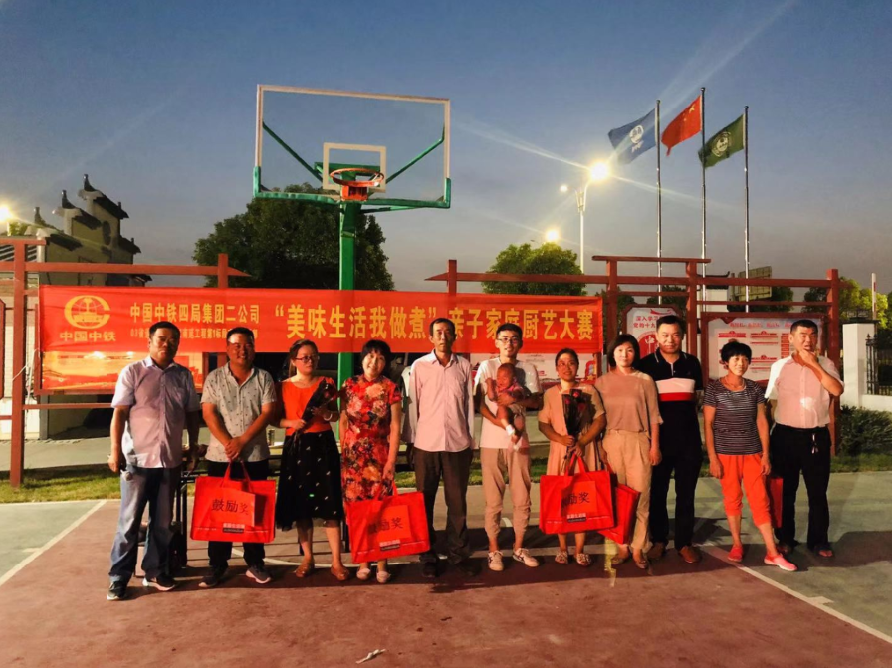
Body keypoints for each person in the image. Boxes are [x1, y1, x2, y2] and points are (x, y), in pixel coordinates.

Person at [106, 321, 200, 601]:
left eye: (173, 340)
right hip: (137, 461)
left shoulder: (183, 375)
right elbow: (119, 413)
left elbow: (191, 414)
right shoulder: (133, 372)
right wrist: (115, 451)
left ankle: (155, 571)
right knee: (129, 523)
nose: (167, 344)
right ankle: (118, 577)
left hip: (169, 460)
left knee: (162, 522)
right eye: (161, 338)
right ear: (149, 341)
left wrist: (193, 448)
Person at [704, 341, 797, 571]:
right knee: (732, 499)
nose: (741, 363)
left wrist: (765, 455)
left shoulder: (754, 389)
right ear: (725, 362)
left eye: (745, 359)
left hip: (753, 453)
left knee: (761, 500)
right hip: (725, 454)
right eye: (736, 358)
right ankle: (737, 544)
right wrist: (713, 458)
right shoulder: (714, 389)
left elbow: (762, 421)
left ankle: (772, 552)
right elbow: (708, 424)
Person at [199, 327, 278, 588]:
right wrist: (228, 443)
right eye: (236, 345)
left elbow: (267, 413)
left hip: (254, 455)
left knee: (255, 511)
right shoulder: (214, 378)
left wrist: (242, 441)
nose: (242, 350)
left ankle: (255, 562)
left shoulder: (264, 377)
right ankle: (217, 564)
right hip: (220, 457)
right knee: (220, 511)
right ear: (227, 348)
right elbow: (209, 413)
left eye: (248, 345)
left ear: (254, 348)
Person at [404, 318, 476, 578]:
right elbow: (412, 405)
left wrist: (471, 440)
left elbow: (468, 406)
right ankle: (428, 554)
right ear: (431, 338)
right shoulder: (420, 366)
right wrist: (410, 441)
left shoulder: (464, 366)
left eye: (447, 332)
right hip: (426, 444)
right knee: (424, 502)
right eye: (438, 332)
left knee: (457, 503)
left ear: (454, 336)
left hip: (457, 444)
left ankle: (458, 554)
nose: (443, 336)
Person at [766, 320, 843, 558]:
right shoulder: (779, 366)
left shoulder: (826, 364)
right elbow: (772, 402)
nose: (808, 340)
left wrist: (813, 365)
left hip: (815, 436)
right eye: (802, 335)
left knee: (817, 492)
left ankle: (818, 541)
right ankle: (785, 538)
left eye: (812, 335)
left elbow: (836, 390)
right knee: (785, 492)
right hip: (784, 436)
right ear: (791, 338)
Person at [584, 335, 661, 569]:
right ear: (612, 353)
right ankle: (621, 546)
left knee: (641, 496)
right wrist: (600, 447)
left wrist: (655, 446)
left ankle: (638, 548)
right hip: (612, 441)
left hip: (639, 440)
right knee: (618, 497)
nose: (624, 354)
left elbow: (654, 416)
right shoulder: (602, 383)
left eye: (629, 350)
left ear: (635, 353)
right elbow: (597, 419)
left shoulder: (645, 380)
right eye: (619, 350)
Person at [275, 339, 349, 581]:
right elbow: (274, 419)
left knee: (330, 505)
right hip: (296, 447)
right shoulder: (282, 387)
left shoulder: (326, 383)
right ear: (293, 360)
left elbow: (336, 415)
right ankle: (308, 558)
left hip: (323, 446)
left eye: (314, 356)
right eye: (304, 357)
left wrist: (327, 414)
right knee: (301, 506)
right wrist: (291, 423)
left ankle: (336, 560)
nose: (310, 361)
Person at [475, 323, 543, 571]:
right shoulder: (486, 367)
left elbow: (537, 402)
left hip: (520, 443)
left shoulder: (528, 368)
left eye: (514, 339)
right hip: (491, 442)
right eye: (504, 338)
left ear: (521, 343)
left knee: (522, 497)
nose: (509, 343)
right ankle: (494, 550)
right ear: (496, 341)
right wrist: (499, 423)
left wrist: (517, 398)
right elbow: (479, 402)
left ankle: (519, 547)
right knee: (493, 500)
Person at [637, 315, 704, 565]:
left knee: (686, 494)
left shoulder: (692, 363)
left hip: (689, 441)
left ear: (682, 336)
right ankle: (659, 540)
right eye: (665, 335)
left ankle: (684, 543)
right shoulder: (645, 366)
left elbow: (698, 399)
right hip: (658, 442)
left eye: (675, 335)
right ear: (656, 336)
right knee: (657, 493)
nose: (670, 340)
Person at [340, 339, 403, 583]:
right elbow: (343, 420)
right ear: (362, 357)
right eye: (370, 356)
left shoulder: (390, 388)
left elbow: (395, 426)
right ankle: (363, 559)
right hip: (353, 458)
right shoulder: (349, 385)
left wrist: (391, 461)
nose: (374, 362)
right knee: (357, 510)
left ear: (385, 363)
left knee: (381, 508)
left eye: (380, 358)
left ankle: (382, 561)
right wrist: (344, 452)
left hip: (379, 456)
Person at [538, 348, 606, 566]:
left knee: (582, 499)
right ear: (556, 368)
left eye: (571, 363)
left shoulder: (588, 390)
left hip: (583, 451)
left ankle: (579, 549)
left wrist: (582, 441)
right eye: (562, 363)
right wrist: (559, 438)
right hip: (561, 451)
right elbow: (543, 424)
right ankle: (562, 548)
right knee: (561, 499)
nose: (566, 367)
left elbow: (600, 420)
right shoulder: (550, 394)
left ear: (577, 366)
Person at [485, 362, 527, 446]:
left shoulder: (515, 386)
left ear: (514, 380)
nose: (500, 381)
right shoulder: (497, 387)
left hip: (515, 412)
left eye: (504, 379)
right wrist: (489, 384)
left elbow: (519, 393)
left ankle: (514, 441)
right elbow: (491, 397)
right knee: (501, 409)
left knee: (520, 424)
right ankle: (509, 428)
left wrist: (511, 395)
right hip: (503, 413)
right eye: (498, 378)